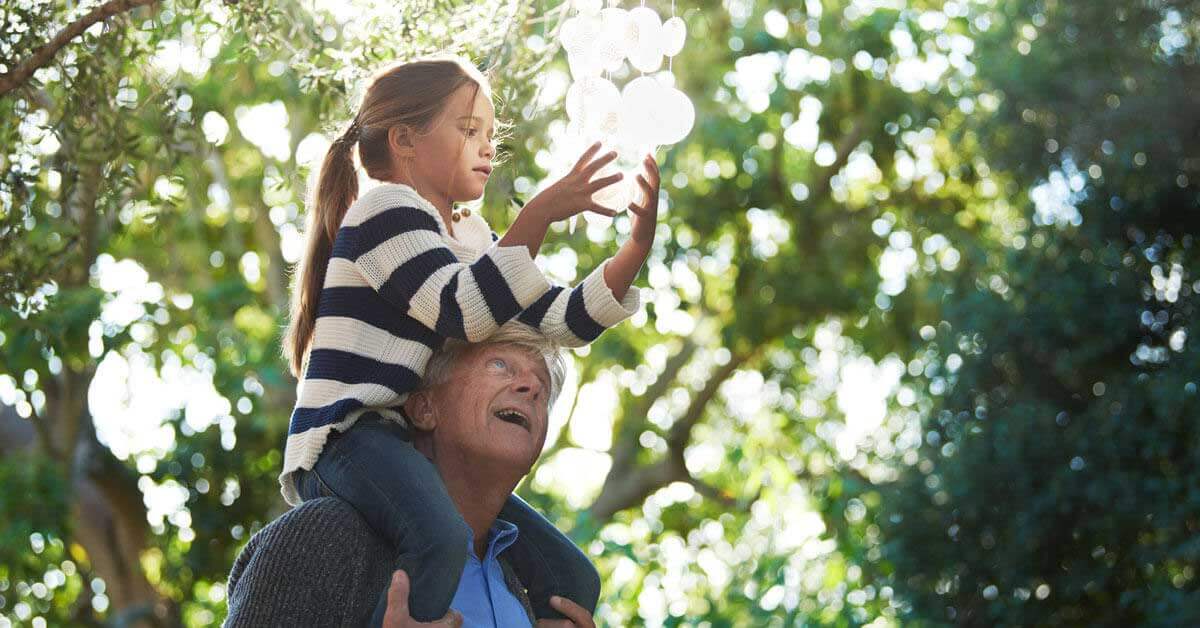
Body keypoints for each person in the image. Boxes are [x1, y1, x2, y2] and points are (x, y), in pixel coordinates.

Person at [277, 54, 661, 623]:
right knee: (438, 535)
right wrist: (540, 214)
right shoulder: (383, 212)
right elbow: (463, 310)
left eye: (489, 133)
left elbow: (553, 319)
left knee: (571, 574)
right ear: (405, 140)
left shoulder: (467, 235)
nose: (486, 146)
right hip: (347, 436)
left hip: (398, 440)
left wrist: (632, 254)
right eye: (467, 130)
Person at [226, 325, 598, 627]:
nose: (531, 388)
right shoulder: (322, 537)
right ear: (423, 408)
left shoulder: (532, 593)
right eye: (500, 365)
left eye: (543, 388)